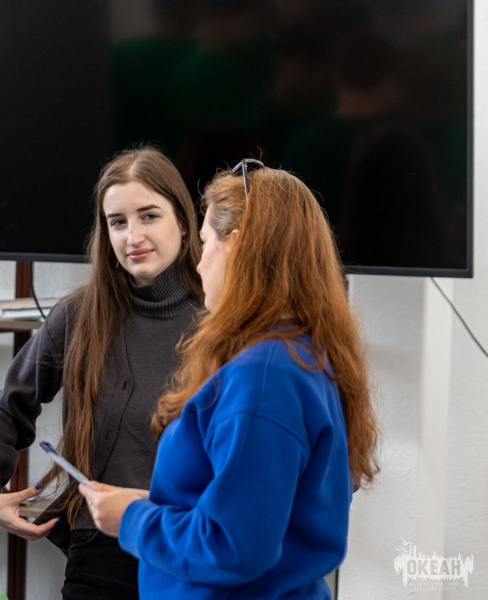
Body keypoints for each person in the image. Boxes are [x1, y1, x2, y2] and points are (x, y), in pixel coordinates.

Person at [79, 160, 380, 599]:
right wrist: (155, 505)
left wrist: (132, 519)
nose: (200, 264)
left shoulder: (264, 378)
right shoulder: (300, 355)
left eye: (205, 244)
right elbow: (260, 510)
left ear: (236, 245)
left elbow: (233, 546)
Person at [0, 147, 204, 599]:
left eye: (149, 216)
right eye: (118, 222)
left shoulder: (224, 323)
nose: (133, 236)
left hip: (192, 549)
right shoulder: (78, 316)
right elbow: (12, 402)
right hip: (99, 554)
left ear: (185, 222)